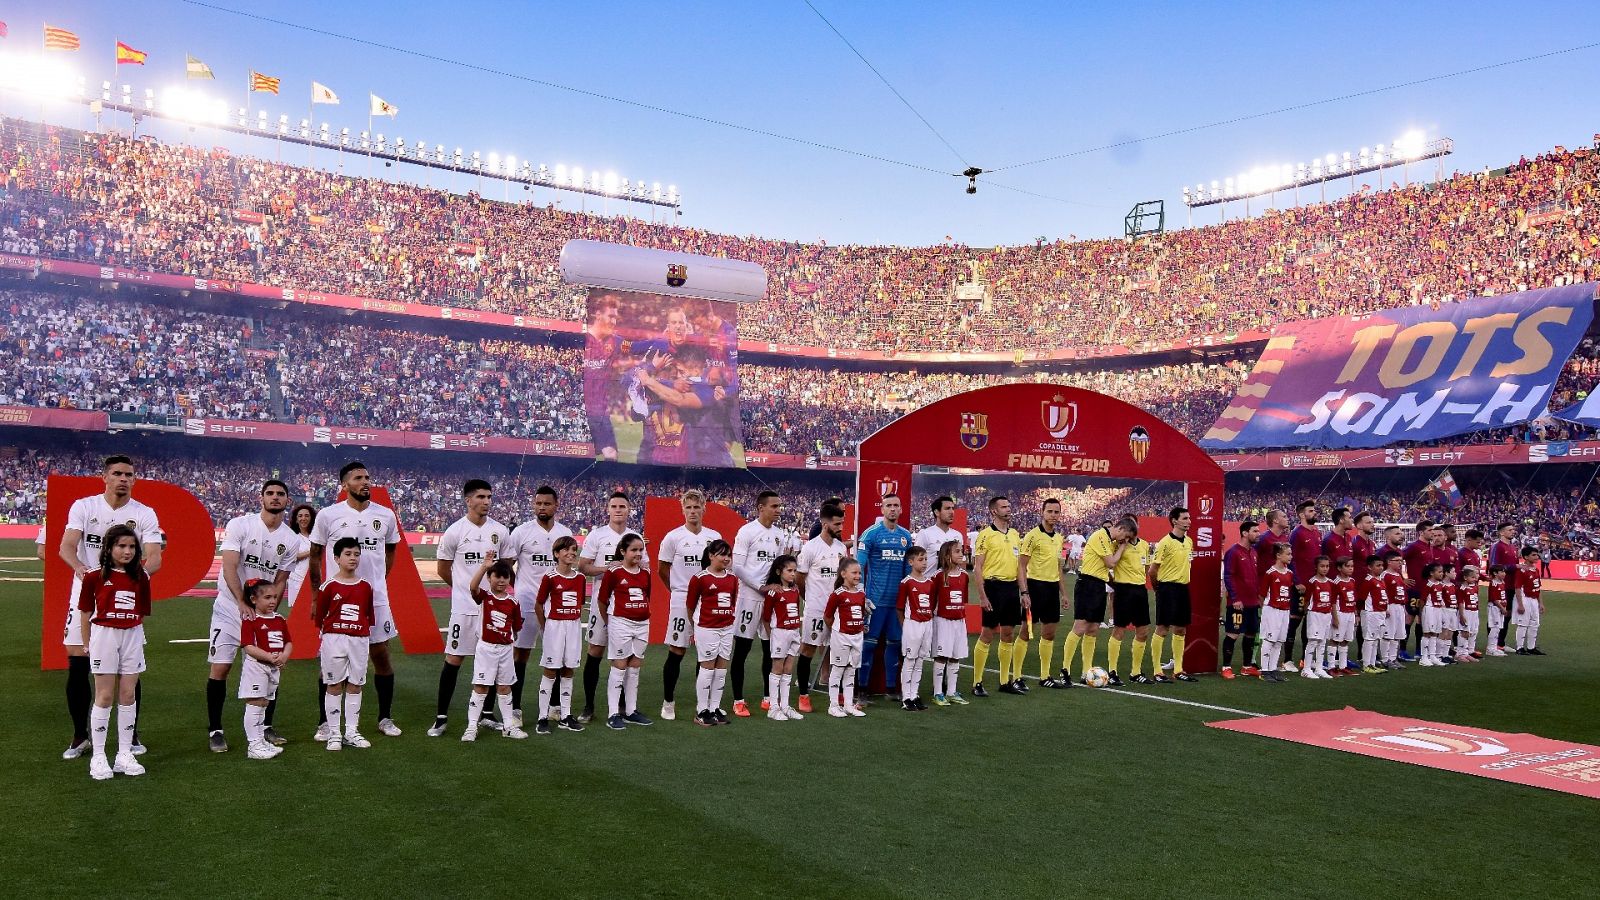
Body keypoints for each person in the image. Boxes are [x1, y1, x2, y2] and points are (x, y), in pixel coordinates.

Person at [60, 455, 163, 761]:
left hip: (124, 598)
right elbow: (66, 545)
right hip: (86, 594)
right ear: (104, 476)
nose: (123, 478)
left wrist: (132, 580)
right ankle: (81, 735)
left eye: (128, 474)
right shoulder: (84, 506)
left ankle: (130, 736)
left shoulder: (144, 513)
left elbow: (155, 556)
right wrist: (82, 569)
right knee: (79, 661)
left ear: (134, 479)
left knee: (129, 668)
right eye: (117, 473)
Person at [309, 461, 402, 740]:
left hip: (375, 599)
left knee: (381, 656)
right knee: (331, 659)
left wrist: (378, 581)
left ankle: (385, 717)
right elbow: (314, 555)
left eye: (368, 477)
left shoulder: (385, 515)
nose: (366, 482)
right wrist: (316, 594)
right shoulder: (328, 515)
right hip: (337, 599)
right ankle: (325, 723)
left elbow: (391, 550)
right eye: (358, 478)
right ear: (345, 484)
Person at [206, 479, 297, 754]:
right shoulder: (240, 525)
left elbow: (280, 580)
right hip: (229, 608)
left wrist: (268, 611)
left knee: (270, 667)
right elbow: (230, 566)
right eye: (270, 493)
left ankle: (265, 727)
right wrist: (241, 602)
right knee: (221, 668)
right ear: (261, 498)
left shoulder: (291, 539)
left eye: (280, 494)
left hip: (261, 614)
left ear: (286, 500)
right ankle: (216, 730)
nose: (275, 497)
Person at [430, 479, 511, 738]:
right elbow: (443, 568)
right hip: (463, 609)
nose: (486, 501)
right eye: (481, 497)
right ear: (468, 500)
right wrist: (465, 590)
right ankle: (441, 718)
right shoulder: (455, 531)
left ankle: (487, 714)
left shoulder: (500, 531)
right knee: (453, 660)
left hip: (492, 611)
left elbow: (506, 567)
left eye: (489, 497)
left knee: (492, 660)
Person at [77, 525, 152, 780]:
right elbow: (85, 612)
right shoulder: (93, 576)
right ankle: (99, 757)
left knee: (128, 694)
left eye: (132, 547)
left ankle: (123, 753)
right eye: (121, 546)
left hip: (132, 634)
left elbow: (141, 611)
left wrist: (133, 633)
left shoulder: (142, 577)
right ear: (109, 548)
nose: (127, 551)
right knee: (105, 695)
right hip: (104, 636)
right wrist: (88, 644)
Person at [502, 485, 571, 727]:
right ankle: (516, 708)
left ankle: (554, 706)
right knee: (521, 653)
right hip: (527, 602)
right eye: (538, 503)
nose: (542, 507)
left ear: (556, 505)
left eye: (546, 504)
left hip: (556, 604)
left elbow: (568, 567)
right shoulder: (521, 532)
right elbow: (507, 565)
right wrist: (520, 588)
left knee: (556, 653)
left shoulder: (565, 533)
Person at [577, 492, 647, 723]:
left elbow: (644, 567)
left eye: (622, 506)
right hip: (602, 603)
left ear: (629, 510)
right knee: (595, 653)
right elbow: (584, 567)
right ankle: (589, 706)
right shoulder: (597, 536)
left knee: (628, 658)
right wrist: (609, 568)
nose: (618, 510)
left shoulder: (635, 537)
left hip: (628, 608)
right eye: (614, 506)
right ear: (607, 509)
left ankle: (625, 707)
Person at [657, 489, 722, 721]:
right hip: (681, 599)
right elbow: (662, 570)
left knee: (705, 653)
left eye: (696, 507)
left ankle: (702, 704)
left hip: (708, 601)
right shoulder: (673, 537)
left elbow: (719, 568)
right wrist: (677, 589)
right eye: (688, 507)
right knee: (677, 650)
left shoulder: (713, 537)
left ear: (704, 508)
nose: (692, 512)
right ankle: (668, 702)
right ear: (682, 509)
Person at [312, 537, 375, 751]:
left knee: (356, 684)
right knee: (334, 684)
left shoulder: (366, 586)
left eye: (357, 554)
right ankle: (334, 733)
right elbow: (320, 618)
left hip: (359, 639)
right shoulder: (328, 586)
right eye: (348, 554)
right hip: (334, 639)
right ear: (337, 558)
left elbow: (368, 616)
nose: (353, 558)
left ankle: (351, 731)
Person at [731, 490, 787, 716]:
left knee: (770, 650)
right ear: (760, 508)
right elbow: (737, 567)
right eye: (774, 507)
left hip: (771, 599)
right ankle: (738, 700)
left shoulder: (779, 535)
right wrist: (760, 586)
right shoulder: (747, 531)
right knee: (742, 649)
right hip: (749, 598)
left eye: (779, 507)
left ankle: (768, 697)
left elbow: (778, 568)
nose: (778, 511)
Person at [461, 556, 529, 741]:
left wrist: (508, 640)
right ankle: (471, 726)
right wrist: (484, 566)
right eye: (497, 576)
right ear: (489, 578)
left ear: (509, 579)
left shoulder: (513, 603)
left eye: (505, 577)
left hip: (506, 650)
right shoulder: (485, 597)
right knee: (481, 687)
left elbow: (515, 627)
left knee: (505, 687)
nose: (501, 581)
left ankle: (508, 726)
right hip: (486, 649)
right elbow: (473, 587)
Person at [855, 492, 912, 699]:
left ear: (901, 509)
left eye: (896, 505)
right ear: (882, 509)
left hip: (896, 603)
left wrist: (908, 598)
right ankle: (862, 689)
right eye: (889, 505)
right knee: (868, 645)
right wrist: (861, 593)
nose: (893, 509)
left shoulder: (906, 536)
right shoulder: (871, 534)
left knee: (895, 644)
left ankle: (890, 689)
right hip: (874, 602)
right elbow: (859, 565)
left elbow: (908, 571)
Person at [596, 534, 654, 730]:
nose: (638, 553)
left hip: (642, 623)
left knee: (635, 666)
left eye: (640, 550)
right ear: (623, 552)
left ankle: (631, 711)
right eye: (634, 550)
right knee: (619, 666)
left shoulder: (646, 573)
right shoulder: (614, 572)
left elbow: (648, 596)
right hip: (620, 622)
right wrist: (611, 622)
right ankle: (613, 713)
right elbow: (602, 600)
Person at [796, 502, 849, 713]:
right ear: (824, 523)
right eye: (837, 524)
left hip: (837, 609)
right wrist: (809, 599)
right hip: (816, 609)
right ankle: (803, 695)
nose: (840, 528)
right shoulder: (810, 548)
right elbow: (800, 579)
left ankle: (839, 692)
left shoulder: (840, 548)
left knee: (838, 650)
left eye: (842, 523)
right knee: (808, 648)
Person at [1064, 517, 1130, 685]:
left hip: (1099, 585)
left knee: (1093, 629)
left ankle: (1086, 672)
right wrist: (1122, 547)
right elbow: (1111, 563)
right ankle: (1065, 670)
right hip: (1087, 584)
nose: (1125, 540)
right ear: (1121, 529)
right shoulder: (1100, 536)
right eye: (1126, 536)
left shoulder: (1108, 540)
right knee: (1080, 627)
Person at [971, 496, 1025, 696]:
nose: (1008, 509)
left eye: (1009, 506)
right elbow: (977, 568)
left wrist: (1024, 591)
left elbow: (1019, 566)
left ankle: (1005, 682)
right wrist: (983, 596)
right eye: (1004, 507)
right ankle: (977, 682)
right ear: (994, 511)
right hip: (993, 588)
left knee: (1008, 634)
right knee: (987, 634)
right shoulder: (985, 535)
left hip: (1011, 589)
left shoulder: (1014, 534)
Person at [533, 536, 586, 734]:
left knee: (568, 670)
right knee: (550, 670)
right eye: (566, 550)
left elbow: (579, 603)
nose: (571, 553)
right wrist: (546, 627)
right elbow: (538, 604)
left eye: (574, 549)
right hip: (554, 626)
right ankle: (542, 717)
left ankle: (565, 715)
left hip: (573, 625)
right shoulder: (550, 577)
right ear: (557, 554)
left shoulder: (580, 578)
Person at [685, 539, 739, 726]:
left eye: (728, 555)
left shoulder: (732, 578)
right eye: (722, 554)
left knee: (721, 669)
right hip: (707, 628)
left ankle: (715, 707)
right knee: (707, 669)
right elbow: (690, 606)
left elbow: (732, 602)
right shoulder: (700, 578)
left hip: (727, 628)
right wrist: (696, 627)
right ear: (710, 556)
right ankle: (702, 710)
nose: (726, 559)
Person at [237, 579, 290, 761]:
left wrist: (284, 656)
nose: (272, 601)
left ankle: (260, 740)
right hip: (257, 667)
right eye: (267, 597)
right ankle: (254, 745)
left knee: (264, 703)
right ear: (253, 599)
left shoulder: (279, 619)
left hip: (273, 669)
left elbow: (288, 642)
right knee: (255, 703)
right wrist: (269, 657)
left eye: (274, 597)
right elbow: (248, 646)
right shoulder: (251, 620)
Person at [1019, 498, 1067, 688]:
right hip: (1034, 587)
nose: (1053, 515)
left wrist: (1063, 593)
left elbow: (1058, 567)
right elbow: (1021, 566)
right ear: (1042, 512)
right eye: (1050, 512)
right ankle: (1016, 676)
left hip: (1052, 589)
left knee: (1049, 633)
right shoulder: (1032, 536)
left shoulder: (1059, 538)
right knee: (1026, 632)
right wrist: (1024, 592)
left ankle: (1045, 676)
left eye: (1056, 512)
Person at [1148, 506, 1196, 684]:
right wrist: (1158, 589)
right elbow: (1153, 571)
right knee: (1162, 628)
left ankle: (1178, 669)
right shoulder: (1164, 543)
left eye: (1189, 518)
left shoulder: (1189, 542)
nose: (1188, 521)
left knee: (1181, 629)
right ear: (1174, 521)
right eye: (1185, 518)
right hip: (1167, 588)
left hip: (1183, 588)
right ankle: (1157, 671)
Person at [1107, 515, 1151, 687]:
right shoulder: (1116, 545)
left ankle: (1136, 672)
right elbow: (1109, 564)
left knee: (1143, 632)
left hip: (1140, 590)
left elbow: (1146, 567)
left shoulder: (1145, 545)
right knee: (1119, 630)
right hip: (1123, 589)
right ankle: (1112, 672)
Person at [760, 555, 804, 720]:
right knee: (777, 668)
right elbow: (765, 617)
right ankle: (773, 707)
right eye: (789, 570)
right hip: (779, 632)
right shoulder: (773, 592)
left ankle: (785, 706)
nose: (793, 574)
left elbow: (797, 610)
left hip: (794, 632)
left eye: (795, 570)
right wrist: (773, 636)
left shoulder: (795, 590)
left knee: (788, 669)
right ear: (779, 572)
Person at [583, 294, 625, 461]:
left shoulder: (613, 342)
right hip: (582, 413)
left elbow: (639, 346)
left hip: (601, 414)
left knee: (612, 455)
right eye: (611, 316)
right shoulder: (582, 339)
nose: (614, 321)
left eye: (616, 317)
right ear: (598, 314)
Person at [825, 559, 868, 718]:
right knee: (838, 670)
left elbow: (862, 613)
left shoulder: (861, 593)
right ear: (843, 574)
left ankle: (849, 704)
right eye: (854, 573)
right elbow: (828, 617)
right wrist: (838, 631)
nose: (858, 576)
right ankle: (833, 705)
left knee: (851, 670)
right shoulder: (837, 594)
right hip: (841, 636)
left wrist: (859, 627)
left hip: (857, 637)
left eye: (859, 573)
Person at [930, 541, 971, 706]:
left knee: (956, 656)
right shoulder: (938, 576)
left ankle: (952, 691)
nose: (961, 554)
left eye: (962, 551)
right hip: (943, 621)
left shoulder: (965, 576)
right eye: (957, 552)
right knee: (941, 656)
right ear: (947, 556)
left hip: (959, 622)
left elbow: (964, 600)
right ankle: (938, 693)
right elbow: (933, 601)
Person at [895, 546, 936, 711]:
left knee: (920, 661)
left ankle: (915, 694)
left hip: (927, 624)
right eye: (920, 559)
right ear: (911, 562)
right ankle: (906, 697)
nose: (924, 563)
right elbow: (899, 608)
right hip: (912, 624)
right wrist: (905, 625)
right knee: (910, 660)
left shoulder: (930, 583)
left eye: (925, 559)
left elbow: (931, 605)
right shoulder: (906, 583)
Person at [1220, 521, 1261, 679]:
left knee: (1251, 634)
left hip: (1252, 602)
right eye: (1255, 531)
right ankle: (1226, 667)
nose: (1258, 534)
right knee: (1233, 634)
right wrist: (1235, 598)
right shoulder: (1233, 552)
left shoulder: (1254, 552)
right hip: (1238, 604)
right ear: (1245, 533)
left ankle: (1246, 667)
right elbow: (1228, 576)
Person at [1287, 500, 1324, 671]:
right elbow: (1290, 559)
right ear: (1302, 514)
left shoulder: (1317, 533)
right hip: (1300, 586)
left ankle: (1304, 659)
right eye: (1310, 511)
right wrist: (1296, 581)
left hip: (1313, 585)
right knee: (1294, 621)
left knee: (1310, 623)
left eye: (1314, 510)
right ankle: (1287, 660)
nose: (1314, 513)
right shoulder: (1297, 533)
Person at [1258, 542, 1295, 684]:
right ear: (1278, 555)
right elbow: (1262, 595)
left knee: (1279, 641)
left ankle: (1273, 669)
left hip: (1284, 611)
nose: (1290, 556)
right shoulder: (1270, 573)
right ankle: (1264, 670)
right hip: (1272, 610)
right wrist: (1267, 611)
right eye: (1288, 554)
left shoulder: (1290, 573)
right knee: (1269, 640)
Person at [1487, 523, 1520, 653]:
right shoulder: (1497, 547)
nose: (1513, 532)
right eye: (1510, 530)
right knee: (1497, 615)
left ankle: (1500, 643)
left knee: (1507, 615)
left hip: (1511, 585)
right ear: (1502, 532)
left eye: (1513, 530)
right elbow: (1494, 567)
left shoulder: (1513, 547)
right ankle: (1492, 645)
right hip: (1500, 586)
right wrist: (1515, 567)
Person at [1302, 556, 1335, 679]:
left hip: (1326, 615)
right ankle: (1306, 669)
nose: (1325, 568)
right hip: (1315, 614)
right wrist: (1307, 611)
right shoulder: (1312, 582)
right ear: (1316, 567)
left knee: (1322, 642)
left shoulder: (1331, 583)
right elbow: (1306, 600)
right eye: (1322, 566)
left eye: (1327, 566)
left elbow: (1332, 601)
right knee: (1313, 641)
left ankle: (1319, 668)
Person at [1358, 555, 1391, 674]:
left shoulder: (1380, 580)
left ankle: (1372, 664)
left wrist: (1385, 608)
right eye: (1378, 565)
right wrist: (1359, 613)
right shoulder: (1368, 581)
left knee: (1376, 639)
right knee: (1369, 639)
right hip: (1370, 613)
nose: (1381, 568)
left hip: (1380, 613)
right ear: (1369, 567)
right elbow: (1361, 598)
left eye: (1382, 565)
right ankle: (1366, 664)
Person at [914, 496, 968, 569]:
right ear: (937, 512)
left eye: (953, 508)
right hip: (930, 579)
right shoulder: (925, 534)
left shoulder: (957, 535)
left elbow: (962, 562)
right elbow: (916, 561)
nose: (952, 512)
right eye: (947, 508)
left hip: (951, 580)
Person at [1514, 546, 1546, 655]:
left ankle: (1531, 647)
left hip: (1534, 600)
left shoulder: (1536, 570)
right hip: (1525, 598)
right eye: (1533, 555)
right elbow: (1518, 588)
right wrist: (1520, 604)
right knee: (1523, 623)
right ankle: (1519, 648)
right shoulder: (1521, 570)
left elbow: (1538, 587)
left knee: (1535, 623)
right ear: (1526, 557)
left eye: (1537, 554)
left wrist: (1540, 603)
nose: (1537, 557)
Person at [1381, 551, 1410, 670]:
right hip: (1391, 606)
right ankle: (1384, 659)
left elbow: (1402, 592)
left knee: (1397, 635)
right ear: (1389, 562)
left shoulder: (1399, 575)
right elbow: (1383, 592)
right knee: (1388, 634)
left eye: (1401, 561)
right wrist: (1386, 607)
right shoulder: (1385, 575)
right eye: (1397, 561)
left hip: (1400, 607)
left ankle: (1393, 658)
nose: (1400, 563)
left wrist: (1404, 608)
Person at [284, 503, 317, 610]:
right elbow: (291, 557)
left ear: (312, 518)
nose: (304, 518)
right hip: (297, 579)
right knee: (298, 612)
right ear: (296, 519)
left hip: (316, 580)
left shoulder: (318, 537)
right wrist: (311, 551)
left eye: (307, 516)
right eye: (300, 516)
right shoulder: (292, 538)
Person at [1331, 556, 1359, 674]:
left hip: (1350, 614)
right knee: (1335, 639)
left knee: (1346, 640)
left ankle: (1343, 666)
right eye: (1347, 566)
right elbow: (1332, 602)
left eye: (1352, 566)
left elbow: (1354, 599)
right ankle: (1331, 666)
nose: (1350, 569)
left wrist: (1355, 613)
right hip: (1340, 613)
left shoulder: (1352, 581)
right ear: (1339, 568)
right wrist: (1335, 618)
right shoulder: (1336, 582)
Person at [1419, 563, 1449, 667]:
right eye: (1439, 572)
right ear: (1432, 573)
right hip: (1429, 610)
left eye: (1442, 572)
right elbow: (1422, 600)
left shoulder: (1440, 585)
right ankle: (1423, 657)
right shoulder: (1428, 585)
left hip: (1437, 610)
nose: (1442, 574)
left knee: (1435, 634)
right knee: (1427, 633)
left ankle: (1432, 656)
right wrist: (1421, 614)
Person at [1454, 566, 1483, 663]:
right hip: (1466, 611)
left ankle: (1468, 652)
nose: (1475, 579)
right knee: (1464, 632)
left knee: (1473, 632)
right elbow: (1461, 603)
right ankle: (1460, 654)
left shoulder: (1475, 587)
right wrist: (1462, 615)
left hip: (1474, 611)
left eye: (1475, 577)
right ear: (1465, 578)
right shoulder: (1462, 588)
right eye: (1473, 577)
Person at [1484, 566, 1511, 657]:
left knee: (1498, 628)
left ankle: (1494, 647)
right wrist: (1502, 608)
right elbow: (1494, 599)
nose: (1504, 574)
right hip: (1495, 608)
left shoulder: (1502, 582)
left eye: (1504, 572)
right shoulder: (1494, 584)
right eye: (1502, 572)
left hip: (1500, 607)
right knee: (1494, 628)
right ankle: (1490, 648)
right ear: (1495, 573)